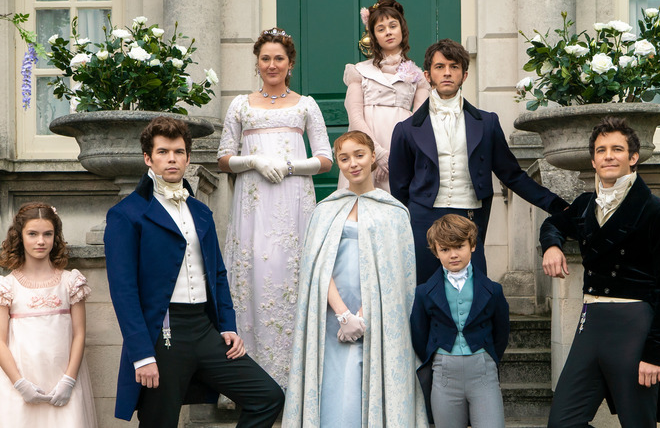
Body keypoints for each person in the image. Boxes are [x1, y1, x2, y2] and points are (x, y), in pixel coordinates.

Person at [104, 116, 284, 426]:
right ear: (148, 158)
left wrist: (227, 325)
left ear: (188, 157)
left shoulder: (201, 211)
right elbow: (124, 293)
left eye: (178, 152)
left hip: (204, 328)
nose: (171, 159)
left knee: (267, 396)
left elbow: (217, 273)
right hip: (164, 334)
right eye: (162, 152)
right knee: (159, 422)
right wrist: (142, 354)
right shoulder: (126, 214)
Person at [540, 116, 660, 427]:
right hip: (590, 324)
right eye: (601, 150)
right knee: (563, 422)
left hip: (634, 328)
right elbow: (553, 223)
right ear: (593, 160)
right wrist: (551, 246)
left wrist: (655, 352)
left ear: (633, 157)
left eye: (617, 149)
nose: (609, 155)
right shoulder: (583, 204)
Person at [389, 38, 568, 284]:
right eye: (440, 67)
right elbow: (399, 190)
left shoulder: (487, 123)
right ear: (427, 75)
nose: (447, 73)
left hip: (469, 217)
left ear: (465, 74)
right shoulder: (406, 129)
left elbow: (512, 175)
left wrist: (557, 205)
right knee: (425, 294)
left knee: (475, 293)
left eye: (454, 66)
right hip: (423, 221)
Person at [284, 131, 427, 427]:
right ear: (337, 163)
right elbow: (317, 268)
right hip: (332, 318)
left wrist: (364, 315)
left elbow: (397, 278)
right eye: (344, 158)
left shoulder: (395, 213)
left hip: (379, 318)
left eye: (359, 155)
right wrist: (344, 315)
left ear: (373, 157)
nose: (353, 164)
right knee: (338, 389)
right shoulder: (324, 211)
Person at [217, 27, 333, 388]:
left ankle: (296, 381)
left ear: (290, 63)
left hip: (293, 201)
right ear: (257, 63)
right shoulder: (239, 105)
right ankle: (249, 380)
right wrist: (251, 161)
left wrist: (290, 166)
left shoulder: (306, 105)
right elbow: (223, 159)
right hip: (253, 206)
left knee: (290, 273)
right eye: (265, 58)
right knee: (252, 275)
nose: (271, 64)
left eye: (278, 58)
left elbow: (326, 159)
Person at [0, 202, 97, 427]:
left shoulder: (70, 282)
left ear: (55, 237)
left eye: (48, 234)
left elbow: (79, 335)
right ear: (20, 237)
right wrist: (20, 384)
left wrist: (68, 380)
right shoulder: (5, 287)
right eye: (33, 234)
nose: (40, 241)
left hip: (63, 380)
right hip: (18, 383)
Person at [410, 214, 509, 428]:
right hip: (444, 373)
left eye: (459, 247)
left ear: (472, 245)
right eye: (445, 249)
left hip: (483, 371)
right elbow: (419, 335)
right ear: (436, 251)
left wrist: (486, 357)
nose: (453, 255)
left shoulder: (493, 290)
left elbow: (501, 333)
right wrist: (438, 356)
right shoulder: (424, 292)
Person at [340, 0, 430, 191]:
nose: (388, 32)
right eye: (381, 29)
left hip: (401, 150)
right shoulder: (359, 71)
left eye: (392, 26)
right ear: (373, 35)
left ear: (402, 29)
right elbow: (355, 116)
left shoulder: (418, 77)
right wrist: (377, 154)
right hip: (363, 148)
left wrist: (394, 157)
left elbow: (418, 120)